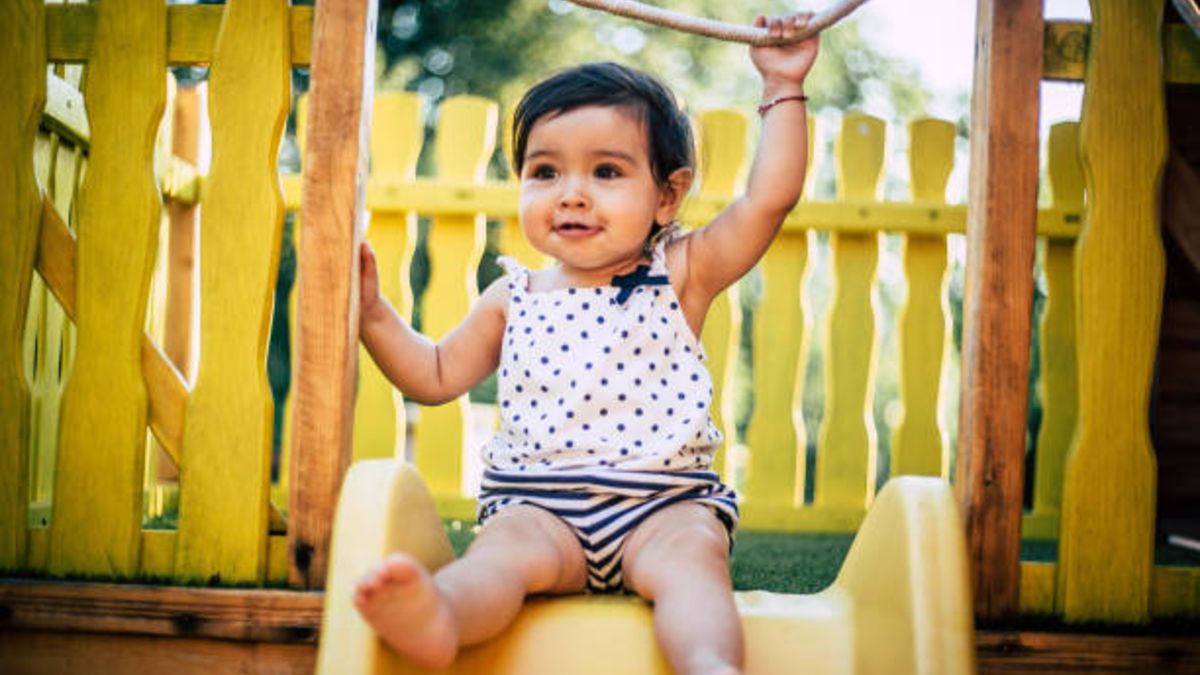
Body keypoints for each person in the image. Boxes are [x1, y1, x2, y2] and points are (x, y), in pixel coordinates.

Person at [353, 13, 818, 675]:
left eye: (606, 171)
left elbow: (769, 200)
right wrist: (373, 314)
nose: (571, 194)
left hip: (663, 505)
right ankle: (442, 615)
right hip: (541, 510)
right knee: (498, 556)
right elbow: (431, 374)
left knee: (694, 562)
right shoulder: (513, 296)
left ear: (667, 194)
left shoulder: (681, 272)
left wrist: (782, 86)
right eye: (544, 172)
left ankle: (710, 662)